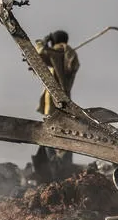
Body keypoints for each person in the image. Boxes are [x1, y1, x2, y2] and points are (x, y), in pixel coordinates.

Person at [34, 28, 82, 179]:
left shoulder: (55, 53)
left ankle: (56, 170)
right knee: (67, 135)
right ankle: (64, 169)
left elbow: (38, 52)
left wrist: (44, 39)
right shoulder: (68, 54)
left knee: (51, 134)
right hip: (66, 100)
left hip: (53, 101)